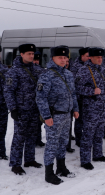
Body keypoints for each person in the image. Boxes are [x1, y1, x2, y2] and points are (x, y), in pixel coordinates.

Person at [36, 46, 79, 185]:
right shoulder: (46, 75)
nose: (63, 60)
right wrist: (47, 116)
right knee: (52, 145)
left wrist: (75, 109)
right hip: (54, 116)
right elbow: (40, 98)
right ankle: (49, 173)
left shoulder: (68, 74)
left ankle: (61, 168)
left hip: (67, 115)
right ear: (53, 58)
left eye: (65, 57)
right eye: (60, 57)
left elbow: (73, 94)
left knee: (63, 143)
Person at [4, 44, 44, 175]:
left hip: (34, 109)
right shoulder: (14, 71)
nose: (31, 56)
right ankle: (15, 163)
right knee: (19, 138)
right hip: (21, 110)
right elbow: (8, 91)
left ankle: (29, 159)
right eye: (29, 54)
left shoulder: (37, 69)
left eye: (33, 54)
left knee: (32, 136)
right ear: (21, 54)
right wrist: (13, 108)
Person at [75, 47, 105, 170]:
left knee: (99, 133)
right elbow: (77, 88)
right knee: (88, 135)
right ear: (90, 57)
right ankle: (85, 160)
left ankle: (97, 155)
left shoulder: (103, 69)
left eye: (101, 57)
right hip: (91, 108)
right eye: (97, 57)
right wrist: (92, 91)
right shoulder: (84, 70)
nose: (99, 59)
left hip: (102, 107)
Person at [68, 47, 89, 150]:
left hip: (89, 99)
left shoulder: (89, 66)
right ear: (82, 56)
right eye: (87, 56)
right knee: (79, 120)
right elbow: (74, 84)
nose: (89, 58)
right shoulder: (76, 67)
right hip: (79, 98)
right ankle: (78, 139)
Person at [33, 51, 45, 147]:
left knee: (39, 122)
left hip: (39, 101)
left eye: (37, 60)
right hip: (30, 102)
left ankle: (38, 140)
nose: (36, 62)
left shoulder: (41, 70)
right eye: (34, 60)